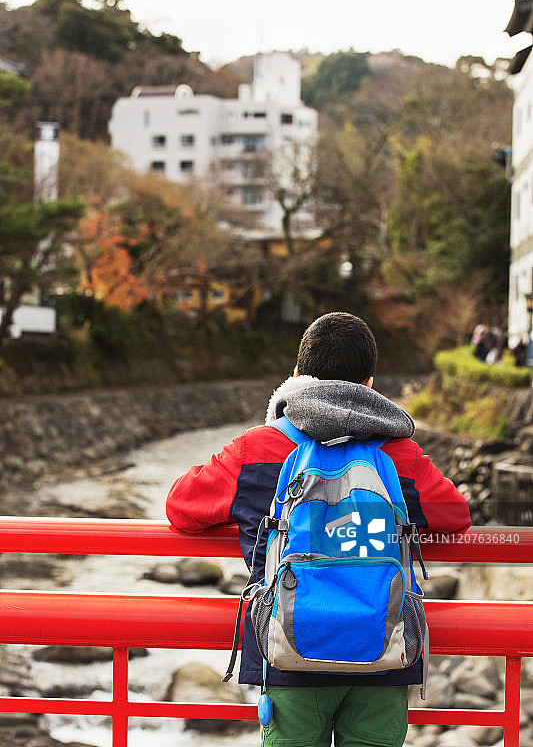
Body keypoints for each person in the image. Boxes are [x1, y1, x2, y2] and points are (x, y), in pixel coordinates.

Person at [166, 311, 471, 747]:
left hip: (290, 651)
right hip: (383, 650)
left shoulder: (256, 449)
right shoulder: (399, 453)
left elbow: (180, 507)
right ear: (369, 385)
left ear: (295, 377)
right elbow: (454, 515)